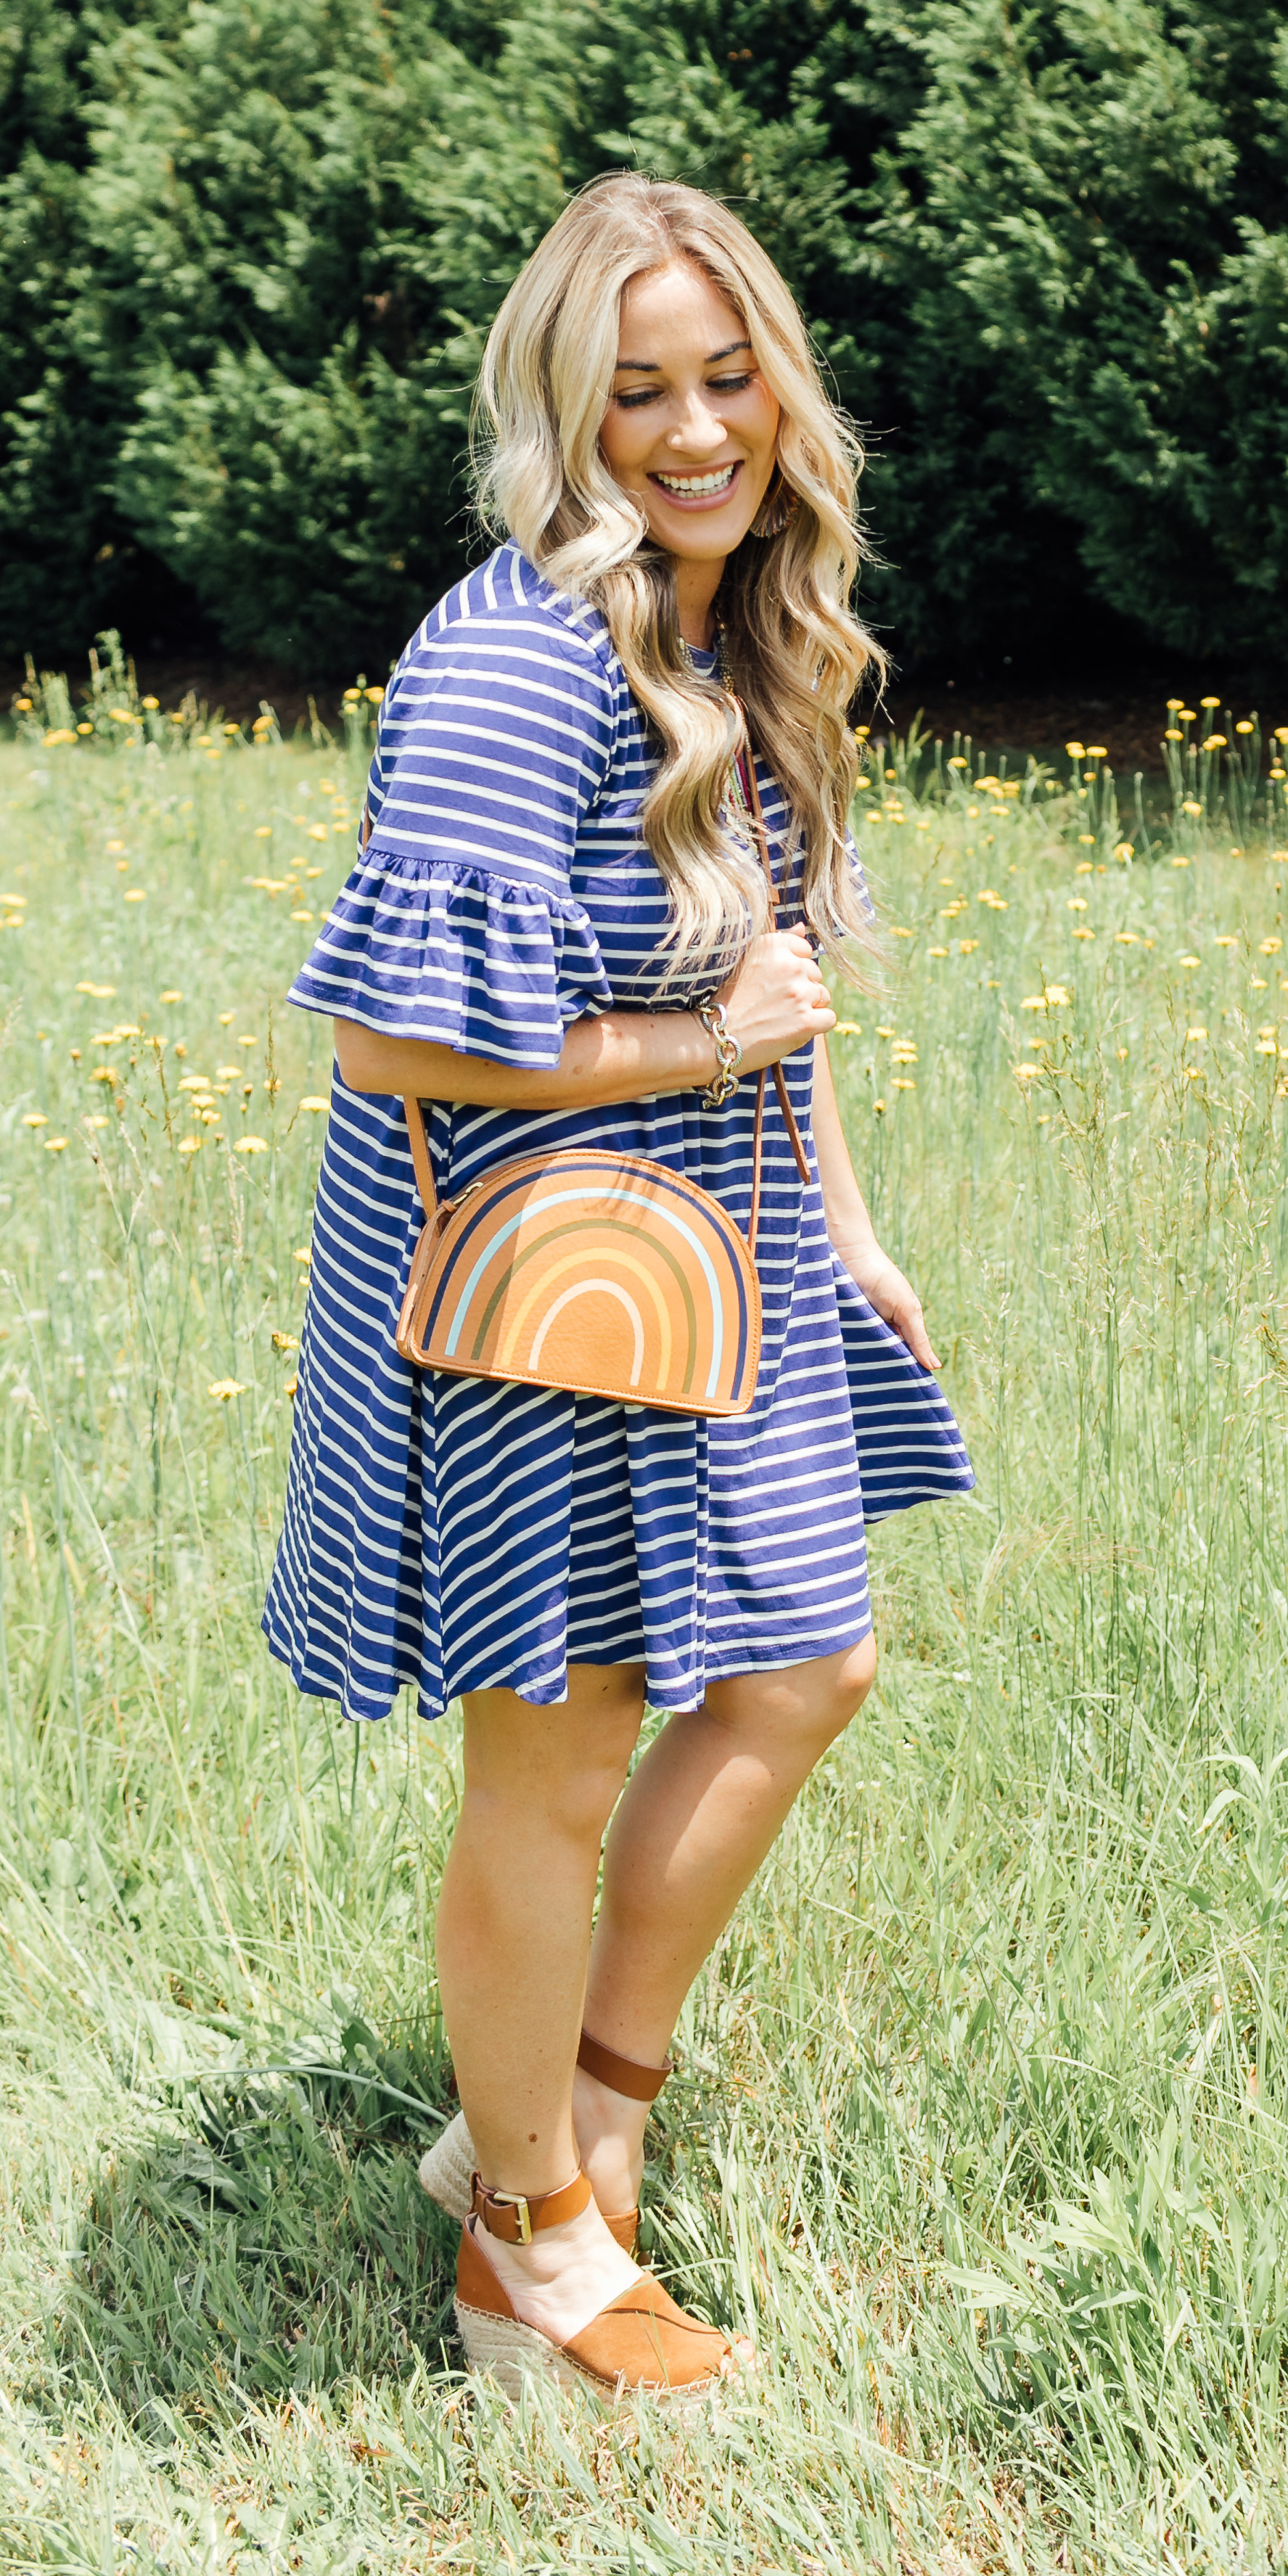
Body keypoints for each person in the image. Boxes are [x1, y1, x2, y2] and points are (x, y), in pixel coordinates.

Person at [265, 171, 972, 2409]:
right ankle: (531, 2261)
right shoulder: (515, 664)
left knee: (804, 1667)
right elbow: (386, 1036)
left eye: (725, 374)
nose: (694, 427)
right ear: (563, 413)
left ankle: (571, 2119)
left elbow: (786, 966)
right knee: (556, 1759)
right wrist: (710, 1052)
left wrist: (839, 1210)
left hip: (723, 1253)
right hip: (542, 1295)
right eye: (637, 388)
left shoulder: (724, 623)